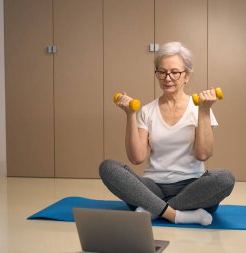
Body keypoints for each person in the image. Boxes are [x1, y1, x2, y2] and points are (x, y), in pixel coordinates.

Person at [99, 42, 235, 225]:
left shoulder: (200, 108)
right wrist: (130, 114)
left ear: (187, 75)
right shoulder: (147, 111)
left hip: (192, 188)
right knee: (108, 168)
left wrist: (204, 111)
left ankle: (154, 210)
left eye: (174, 72)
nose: (167, 78)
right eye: (161, 72)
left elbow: (203, 154)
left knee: (225, 178)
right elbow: (137, 157)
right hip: (153, 188)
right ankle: (178, 215)